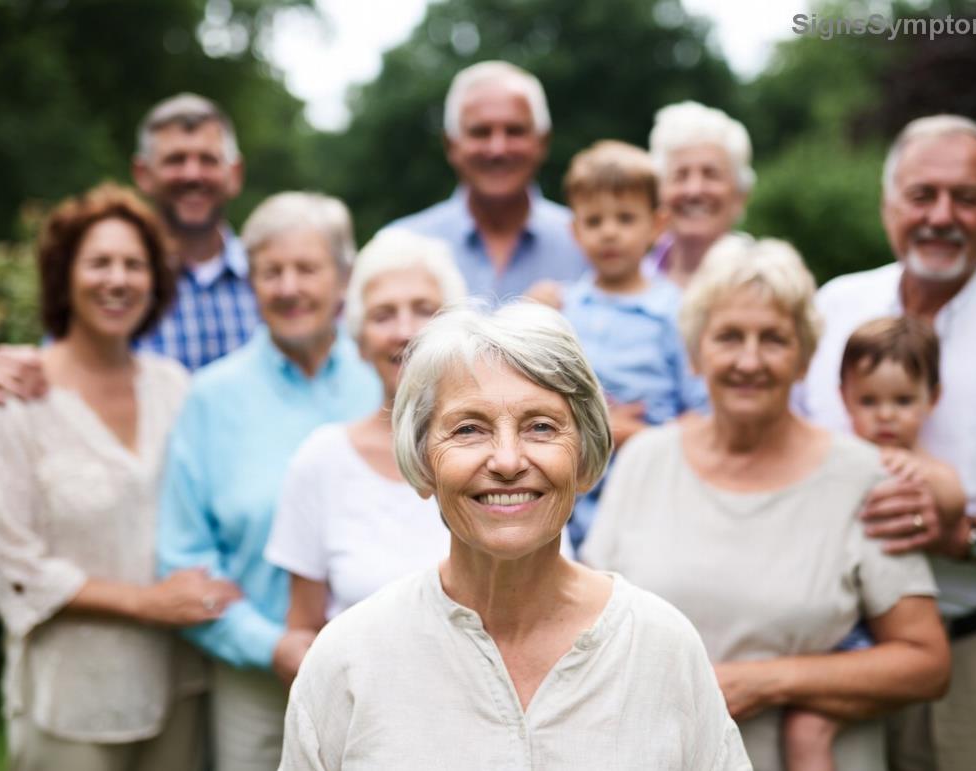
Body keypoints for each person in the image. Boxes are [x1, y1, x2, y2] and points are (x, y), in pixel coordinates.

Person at [279, 302, 752, 770]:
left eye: (541, 427)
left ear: (585, 458)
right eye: (469, 429)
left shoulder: (660, 647)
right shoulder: (349, 658)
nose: (507, 461)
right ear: (422, 463)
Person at [581, 237, 950, 770]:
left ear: (803, 359)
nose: (749, 360)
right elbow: (591, 628)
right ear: (696, 353)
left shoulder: (864, 477)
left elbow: (926, 663)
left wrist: (766, 681)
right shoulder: (644, 461)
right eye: (729, 336)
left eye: (773, 339)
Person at [802, 114, 976, 771]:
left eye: (967, 197)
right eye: (922, 194)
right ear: (888, 203)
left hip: (974, 649)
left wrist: (962, 536)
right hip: (840, 644)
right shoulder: (833, 308)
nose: (941, 216)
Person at [0, 183, 242, 771]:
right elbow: (9, 568)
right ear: (64, 276)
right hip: (71, 699)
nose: (118, 279)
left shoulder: (174, 388)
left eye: (134, 265)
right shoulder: (13, 405)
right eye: (99, 263)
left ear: (155, 281)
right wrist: (146, 603)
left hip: (181, 683)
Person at [157, 192, 381, 771]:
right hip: (255, 682)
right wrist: (269, 645)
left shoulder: (384, 384)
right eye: (270, 272)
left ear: (343, 278)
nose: (288, 288)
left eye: (307, 268)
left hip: (385, 671)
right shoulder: (210, 398)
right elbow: (182, 555)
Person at [0, 92, 257, 403]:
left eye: (208, 160)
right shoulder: (115, 286)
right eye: (175, 160)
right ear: (142, 174)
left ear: (235, 174)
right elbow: (56, 370)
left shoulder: (273, 282)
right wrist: (11, 370)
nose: (192, 174)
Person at [263, 229, 466, 644]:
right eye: (383, 315)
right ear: (358, 342)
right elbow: (302, 630)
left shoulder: (502, 452)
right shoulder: (322, 459)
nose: (405, 331)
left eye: (424, 310)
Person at [783, 315, 965, 771]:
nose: (885, 415)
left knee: (807, 729)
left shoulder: (920, 467)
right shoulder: (835, 456)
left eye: (902, 401)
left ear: (932, 399)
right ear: (844, 397)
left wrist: (922, 479)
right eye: (869, 401)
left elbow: (953, 502)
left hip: (877, 635)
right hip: (832, 612)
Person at [543, 139, 706, 548]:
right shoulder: (560, 310)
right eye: (594, 221)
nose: (609, 232)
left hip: (651, 493)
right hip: (570, 500)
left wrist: (629, 432)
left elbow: (702, 414)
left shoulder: (678, 313)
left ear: (657, 225)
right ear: (575, 231)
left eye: (626, 218)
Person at [387, 60, 587, 303]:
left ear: (542, 142)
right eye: (480, 132)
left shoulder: (589, 247)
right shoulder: (398, 246)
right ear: (451, 145)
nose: (497, 149)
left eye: (514, 131)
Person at [646, 100, 754, 288]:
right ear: (658, 192)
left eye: (711, 174)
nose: (694, 190)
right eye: (680, 175)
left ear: (740, 195)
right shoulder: (625, 282)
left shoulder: (768, 282)